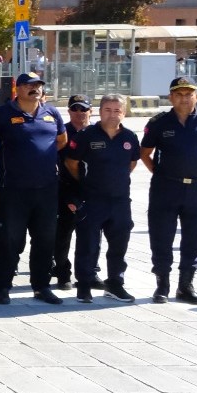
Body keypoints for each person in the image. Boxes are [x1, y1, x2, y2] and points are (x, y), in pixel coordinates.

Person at [140, 76, 197, 304]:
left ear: (196, 96)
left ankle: (186, 285)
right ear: (171, 97)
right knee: (161, 235)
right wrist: (162, 173)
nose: (184, 99)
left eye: (188, 94)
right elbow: (145, 153)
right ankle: (162, 285)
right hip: (166, 187)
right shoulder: (159, 123)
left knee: (195, 236)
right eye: (179, 94)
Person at [0, 72, 66, 306]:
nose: (35, 89)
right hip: (14, 189)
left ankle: (41, 286)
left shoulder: (51, 113)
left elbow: (61, 140)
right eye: (30, 86)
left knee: (44, 240)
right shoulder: (2, 114)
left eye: (39, 85)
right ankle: (2, 286)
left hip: (46, 189)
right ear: (18, 89)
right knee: (10, 240)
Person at [65, 94, 140, 304]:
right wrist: (87, 183)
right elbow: (71, 163)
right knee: (88, 244)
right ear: (100, 111)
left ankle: (115, 284)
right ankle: (84, 286)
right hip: (92, 199)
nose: (112, 114)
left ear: (124, 113)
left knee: (119, 245)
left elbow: (131, 164)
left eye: (117, 110)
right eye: (108, 110)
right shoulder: (86, 135)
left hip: (120, 201)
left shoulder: (130, 138)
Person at [54, 96, 92, 289]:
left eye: (83, 109)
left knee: (91, 235)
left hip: (92, 191)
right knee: (63, 236)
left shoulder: (96, 133)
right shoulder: (62, 133)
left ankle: (88, 273)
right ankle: (62, 272)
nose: (79, 113)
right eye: (75, 109)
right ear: (68, 112)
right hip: (66, 190)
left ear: (90, 112)